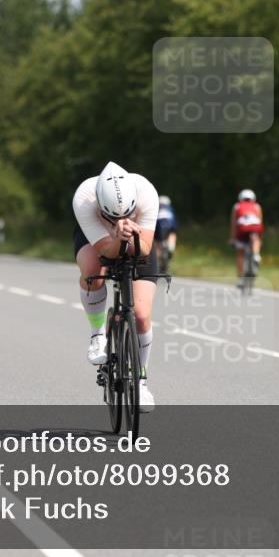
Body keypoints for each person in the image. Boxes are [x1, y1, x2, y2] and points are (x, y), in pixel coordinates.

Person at [72, 161, 160, 412]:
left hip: (137, 235)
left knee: (141, 315)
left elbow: (143, 249)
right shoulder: (84, 199)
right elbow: (105, 253)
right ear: (100, 205)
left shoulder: (146, 193)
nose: (118, 219)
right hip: (99, 237)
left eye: (124, 214)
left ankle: (141, 381)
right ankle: (97, 334)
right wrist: (116, 236)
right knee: (93, 271)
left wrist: (130, 235)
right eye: (112, 215)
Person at [230, 188, 263, 276]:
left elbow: (234, 224)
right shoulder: (257, 206)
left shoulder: (237, 206)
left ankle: (240, 277)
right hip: (255, 226)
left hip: (242, 227)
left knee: (240, 253)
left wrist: (233, 238)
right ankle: (256, 255)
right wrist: (260, 240)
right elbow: (259, 221)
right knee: (256, 239)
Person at [154, 195, 178, 272]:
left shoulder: (156, 209)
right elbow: (174, 224)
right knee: (172, 235)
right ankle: (171, 247)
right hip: (170, 228)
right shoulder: (170, 209)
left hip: (158, 228)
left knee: (157, 245)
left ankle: (157, 262)